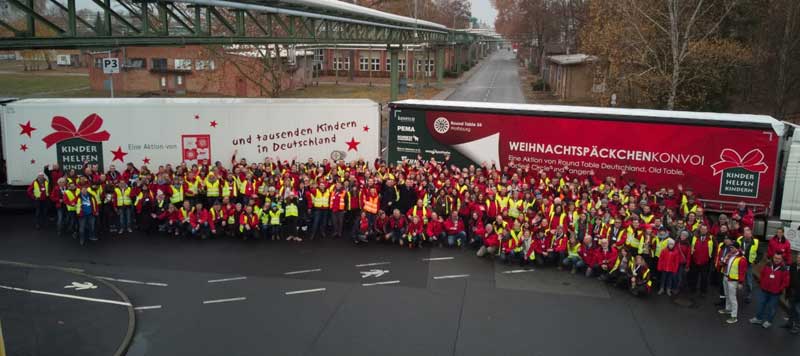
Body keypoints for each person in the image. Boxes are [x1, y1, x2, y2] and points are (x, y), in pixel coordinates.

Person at [749, 254, 790, 329]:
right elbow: (762, 274)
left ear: (782, 260)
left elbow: (785, 282)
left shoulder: (784, 269)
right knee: (761, 304)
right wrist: (761, 283)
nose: (776, 260)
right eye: (775, 258)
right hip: (764, 289)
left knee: (772, 307)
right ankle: (758, 318)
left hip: (775, 293)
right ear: (773, 258)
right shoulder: (768, 264)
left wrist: (779, 289)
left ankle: (769, 321)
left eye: (779, 258)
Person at [718, 241, 747, 324]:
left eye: (733, 247)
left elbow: (742, 271)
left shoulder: (742, 259)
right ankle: (728, 309)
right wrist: (722, 262)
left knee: (732, 297)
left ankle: (734, 316)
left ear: (737, 248)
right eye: (730, 247)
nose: (731, 249)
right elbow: (725, 263)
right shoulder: (729, 255)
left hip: (733, 280)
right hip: (726, 276)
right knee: (727, 295)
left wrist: (741, 282)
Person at [689, 224, 714, 296]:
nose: (703, 230)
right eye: (702, 229)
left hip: (705, 261)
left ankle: (703, 291)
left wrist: (711, 258)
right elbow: (690, 246)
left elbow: (715, 248)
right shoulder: (695, 237)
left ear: (707, 230)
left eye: (705, 229)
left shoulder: (711, 238)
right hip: (695, 260)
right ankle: (693, 289)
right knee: (694, 276)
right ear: (700, 230)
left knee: (704, 277)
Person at [737, 227, 760, 303]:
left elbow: (760, 253)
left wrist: (755, 261)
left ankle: (748, 296)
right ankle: (735, 294)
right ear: (743, 234)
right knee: (736, 278)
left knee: (748, 281)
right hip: (739, 263)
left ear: (751, 234)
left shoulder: (756, 242)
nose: (746, 236)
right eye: (745, 234)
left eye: (748, 234)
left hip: (748, 264)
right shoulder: (739, 240)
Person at [785, 253, 800, 334]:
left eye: (799, 258)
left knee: (797, 311)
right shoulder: (793, 265)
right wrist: (787, 292)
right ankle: (789, 323)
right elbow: (789, 278)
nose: (798, 259)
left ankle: (797, 326)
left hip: (799, 294)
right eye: (798, 257)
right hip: (791, 291)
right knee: (790, 308)